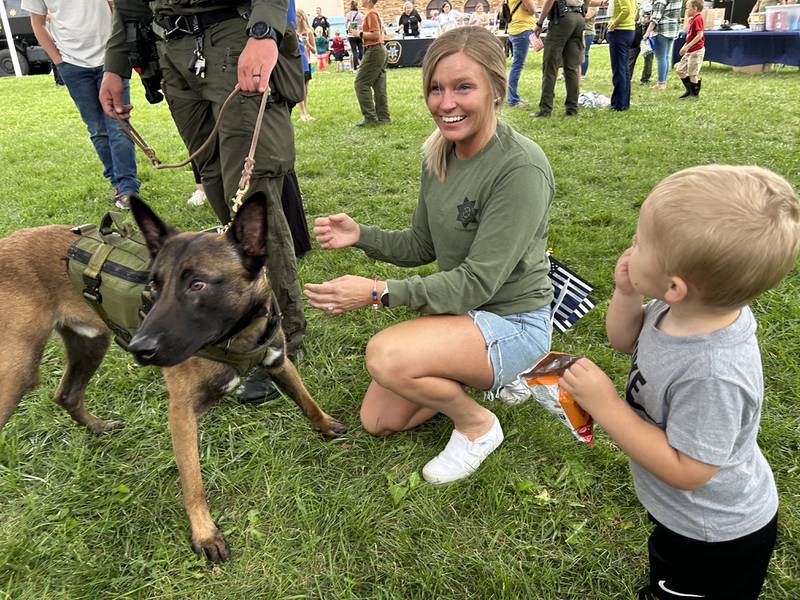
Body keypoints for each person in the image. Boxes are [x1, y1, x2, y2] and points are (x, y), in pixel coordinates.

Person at [304, 27, 555, 484]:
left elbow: (477, 282)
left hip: (515, 321)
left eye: (464, 87)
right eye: (436, 89)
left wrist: (379, 293)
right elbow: (423, 245)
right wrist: (361, 234)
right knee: (380, 421)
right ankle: (484, 376)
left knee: (386, 355)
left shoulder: (521, 168)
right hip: (463, 315)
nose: (445, 103)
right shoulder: (440, 153)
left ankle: (478, 424)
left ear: (496, 90)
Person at [559, 165, 800, 600]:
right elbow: (623, 339)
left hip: (715, 534)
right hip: (681, 519)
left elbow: (688, 471)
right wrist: (628, 293)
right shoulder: (682, 311)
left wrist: (607, 405)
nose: (632, 246)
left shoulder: (714, 373)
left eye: (640, 242)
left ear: (675, 286)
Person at [99, 0, 308, 404]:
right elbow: (128, 5)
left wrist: (264, 33)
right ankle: (238, 314)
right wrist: (115, 65)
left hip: (235, 32)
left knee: (251, 202)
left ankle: (281, 340)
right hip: (172, 50)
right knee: (213, 183)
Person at [23, 0, 141, 210]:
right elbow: (37, 23)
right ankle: (117, 183)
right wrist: (59, 61)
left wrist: (121, 51)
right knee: (97, 129)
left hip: (110, 60)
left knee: (119, 125)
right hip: (72, 64)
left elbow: (118, 9)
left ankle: (128, 188)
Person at [532, 0, 586, 117]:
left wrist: (540, 22)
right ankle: (572, 108)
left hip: (562, 18)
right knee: (572, 67)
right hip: (578, 17)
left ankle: (545, 109)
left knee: (550, 66)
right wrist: (582, 12)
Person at [353, 0, 390, 127]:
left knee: (360, 83)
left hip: (374, 49)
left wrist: (359, 33)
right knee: (379, 85)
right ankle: (383, 117)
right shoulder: (373, 13)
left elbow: (375, 35)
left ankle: (370, 117)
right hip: (380, 49)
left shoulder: (371, 14)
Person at [642, 0, 682, 89]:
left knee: (661, 58)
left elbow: (655, 19)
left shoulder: (660, 1)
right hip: (672, 29)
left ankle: (661, 84)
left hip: (662, 30)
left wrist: (647, 33)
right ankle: (663, 81)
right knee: (666, 57)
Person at [505, 0, 537, 107]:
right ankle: (513, 99)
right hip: (522, 29)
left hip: (514, 28)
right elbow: (532, 10)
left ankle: (513, 97)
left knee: (516, 64)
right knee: (517, 65)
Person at [605, 0, 635, 111]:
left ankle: (618, 104)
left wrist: (613, 24)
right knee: (624, 69)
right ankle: (624, 102)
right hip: (629, 30)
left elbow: (626, 10)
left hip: (620, 31)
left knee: (618, 69)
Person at [676, 0, 704, 99]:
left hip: (696, 51)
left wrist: (688, 46)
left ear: (695, 8)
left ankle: (694, 94)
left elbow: (700, 35)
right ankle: (689, 90)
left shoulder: (698, 19)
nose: (686, 10)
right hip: (689, 50)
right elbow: (690, 37)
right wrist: (685, 46)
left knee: (693, 73)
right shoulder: (692, 20)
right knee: (680, 70)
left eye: (687, 8)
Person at [297, 9, 316, 121]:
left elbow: (314, 51)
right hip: (297, 63)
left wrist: (307, 44)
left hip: (306, 63)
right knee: (300, 88)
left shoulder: (308, 32)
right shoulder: (293, 32)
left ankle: (305, 112)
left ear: (300, 17)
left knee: (305, 90)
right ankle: (302, 114)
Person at [581, 1, 598, 78]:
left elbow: (587, 17)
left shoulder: (593, 5)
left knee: (584, 53)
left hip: (588, 32)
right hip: (579, 30)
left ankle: (582, 74)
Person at [346, 1, 365, 70]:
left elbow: (346, 25)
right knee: (361, 50)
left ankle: (355, 67)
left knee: (354, 51)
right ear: (357, 6)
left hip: (351, 35)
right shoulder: (361, 15)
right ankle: (362, 66)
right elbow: (363, 24)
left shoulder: (348, 14)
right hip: (359, 34)